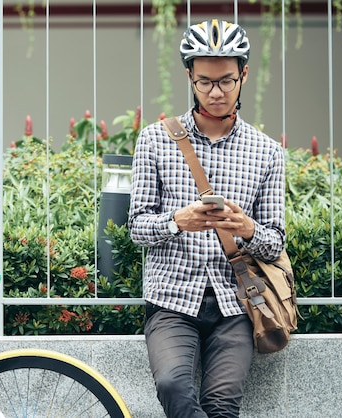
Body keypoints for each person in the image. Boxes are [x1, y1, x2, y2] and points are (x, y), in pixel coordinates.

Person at [128, 19, 287, 417]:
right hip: (171, 300)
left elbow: (275, 241)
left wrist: (247, 228)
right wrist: (177, 221)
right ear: (189, 77)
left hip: (237, 303)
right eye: (204, 82)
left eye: (226, 81)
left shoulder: (266, 152)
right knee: (172, 386)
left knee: (222, 404)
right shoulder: (155, 139)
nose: (216, 92)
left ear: (244, 74)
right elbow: (136, 227)